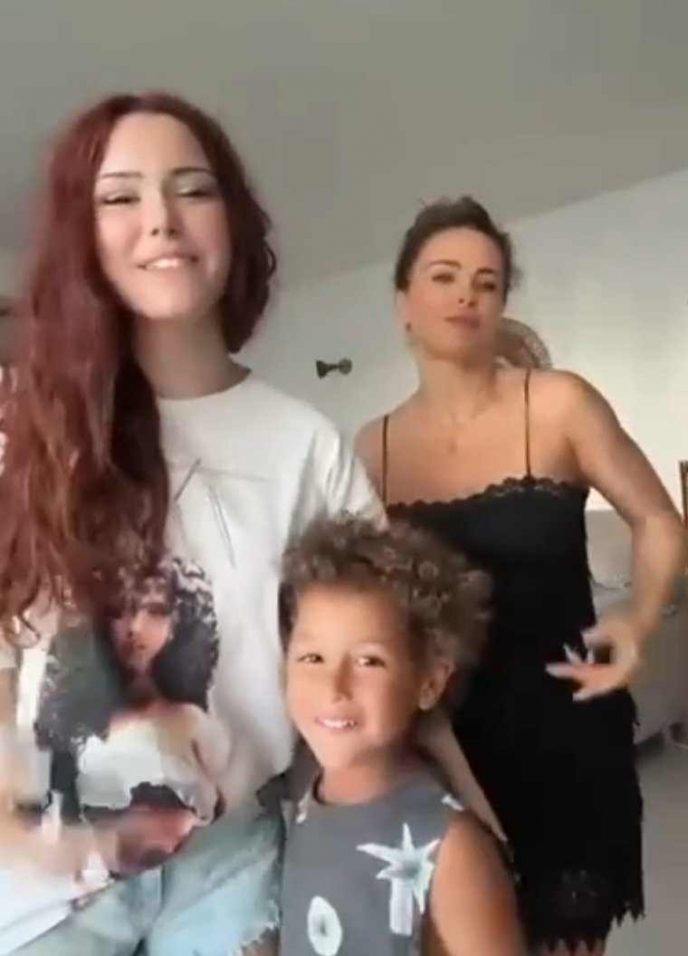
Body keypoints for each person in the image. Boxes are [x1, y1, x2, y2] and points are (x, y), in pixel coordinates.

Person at [0, 91, 380, 956]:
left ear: (234, 220)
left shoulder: (307, 446)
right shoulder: (23, 424)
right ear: (82, 233)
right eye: (120, 196)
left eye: (193, 189)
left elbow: (361, 664)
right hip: (41, 884)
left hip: (230, 862)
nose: (161, 221)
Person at [355, 197, 686, 955]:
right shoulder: (372, 450)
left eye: (488, 281)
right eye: (444, 276)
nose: (466, 295)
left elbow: (660, 521)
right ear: (404, 303)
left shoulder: (560, 403)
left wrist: (638, 618)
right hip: (442, 747)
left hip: (565, 732)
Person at [277, 515, 524, 956]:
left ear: (429, 681)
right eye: (312, 657)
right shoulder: (295, 806)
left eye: (368, 662)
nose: (334, 688)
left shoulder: (451, 849)